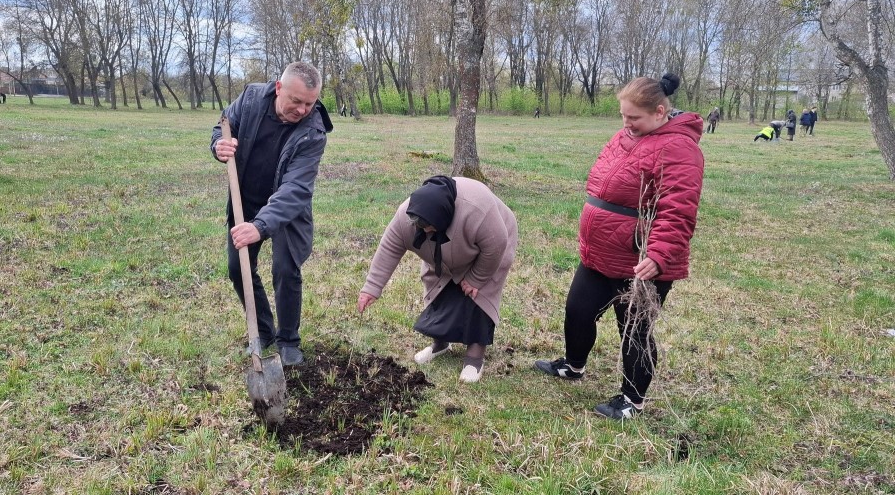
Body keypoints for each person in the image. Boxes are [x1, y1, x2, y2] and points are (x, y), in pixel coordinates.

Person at [534, 73, 705, 420]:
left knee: (634, 329)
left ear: (659, 112)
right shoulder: (625, 136)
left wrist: (658, 255)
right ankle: (573, 365)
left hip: (640, 259)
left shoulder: (680, 148)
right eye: (623, 116)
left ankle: (632, 400)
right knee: (579, 310)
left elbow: (679, 208)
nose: (626, 124)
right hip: (601, 250)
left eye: (634, 118)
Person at [210, 61, 333, 367]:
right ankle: (264, 333)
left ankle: (288, 339)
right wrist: (218, 145)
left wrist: (261, 225)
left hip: (286, 210)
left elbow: (296, 189)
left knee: (285, 270)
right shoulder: (251, 99)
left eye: (310, 103)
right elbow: (224, 124)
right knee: (237, 268)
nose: (303, 109)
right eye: (296, 101)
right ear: (279, 89)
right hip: (246, 200)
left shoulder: (314, 131)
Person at [357, 176, 518, 383]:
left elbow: (496, 246)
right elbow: (389, 248)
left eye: (430, 227)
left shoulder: (478, 211)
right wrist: (371, 288)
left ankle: (475, 357)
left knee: (478, 297)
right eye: (420, 227)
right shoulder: (407, 216)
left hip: (491, 249)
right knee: (438, 291)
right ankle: (440, 344)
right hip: (442, 255)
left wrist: (477, 278)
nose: (425, 231)